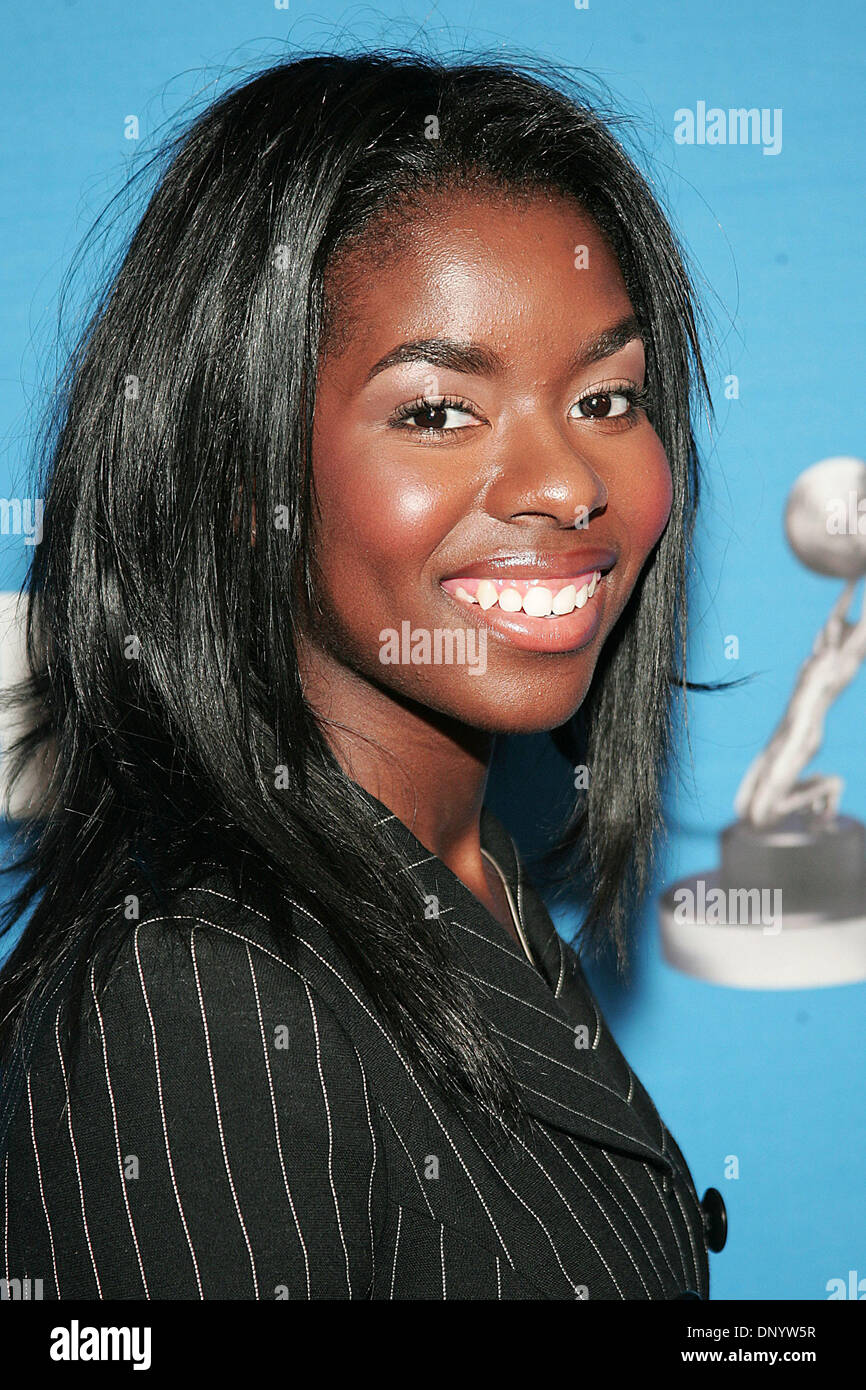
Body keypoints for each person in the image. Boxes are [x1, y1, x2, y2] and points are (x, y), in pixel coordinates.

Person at [0, 48, 724, 1299]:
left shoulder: (468, 867)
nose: (568, 483)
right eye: (439, 412)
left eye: (607, 398)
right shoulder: (192, 1006)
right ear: (236, 470)